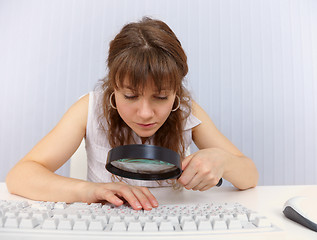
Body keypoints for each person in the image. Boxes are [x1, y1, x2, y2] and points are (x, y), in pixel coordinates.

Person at [6, 17, 259, 211]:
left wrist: (223, 161)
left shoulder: (186, 112)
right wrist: (90, 191)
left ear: (175, 94)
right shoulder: (89, 109)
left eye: (161, 97)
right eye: (130, 96)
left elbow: (250, 176)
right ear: (113, 88)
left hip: (173, 223)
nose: (146, 113)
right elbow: (20, 176)